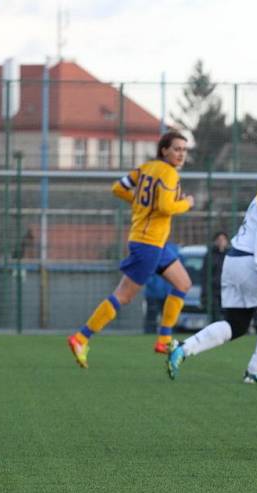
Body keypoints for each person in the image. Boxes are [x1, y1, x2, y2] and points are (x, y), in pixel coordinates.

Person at [67, 131, 195, 367]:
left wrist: (137, 201)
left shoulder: (145, 167)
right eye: (176, 149)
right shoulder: (169, 173)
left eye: (184, 150)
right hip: (148, 243)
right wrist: (186, 203)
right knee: (123, 296)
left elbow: (118, 188)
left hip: (155, 243)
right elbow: (166, 206)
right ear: (164, 150)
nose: (181, 154)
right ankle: (81, 337)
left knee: (183, 283)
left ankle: (164, 339)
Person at [165, 199, 257, 384]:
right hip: (252, 264)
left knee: (236, 324)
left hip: (234, 260)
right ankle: (255, 372)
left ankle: (182, 349)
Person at [143, 244, 179, 333]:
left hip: (168, 290)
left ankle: (169, 334)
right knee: (151, 317)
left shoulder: (174, 249)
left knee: (169, 315)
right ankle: (149, 333)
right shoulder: (150, 249)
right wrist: (151, 283)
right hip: (153, 291)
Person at [201, 231, 229, 321]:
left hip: (227, 289)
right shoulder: (209, 255)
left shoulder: (230, 255)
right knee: (215, 315)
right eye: (219, 239)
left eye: (223, 239)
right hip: (214, 291)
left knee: (227, 314)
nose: (221, 242)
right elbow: (205, 275)